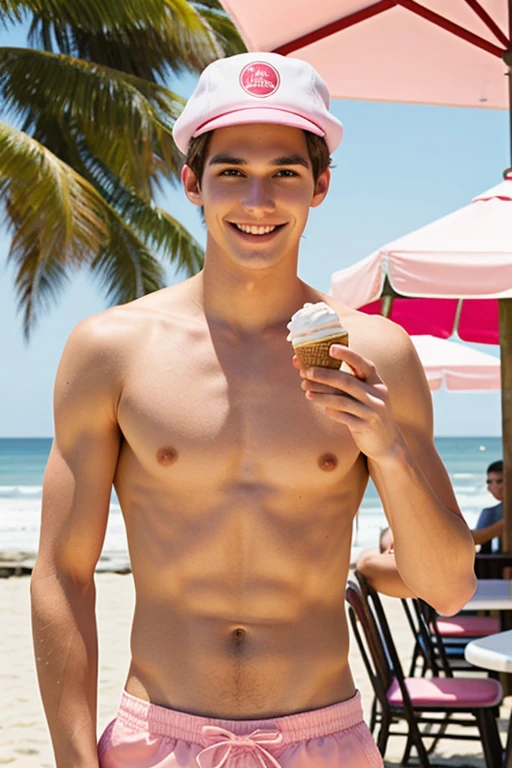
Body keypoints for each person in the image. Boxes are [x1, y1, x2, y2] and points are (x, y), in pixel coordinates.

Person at [30, 51, 477, 768]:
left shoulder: (379, 351)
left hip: (323, 741)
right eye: (231, 172)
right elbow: (61, 572)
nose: (257, 201)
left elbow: (449, 586)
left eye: (285, 174)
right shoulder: (111, 349)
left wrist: (385, 445)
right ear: (191, 184)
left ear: (320, 185)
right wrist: (76, 762)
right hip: (157, 742)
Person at [474, 460, 504, 552]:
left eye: (499, 481)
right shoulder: (491, 513)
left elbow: (475, 538)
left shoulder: (492, 513)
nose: (492, 487)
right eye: (489, 482)